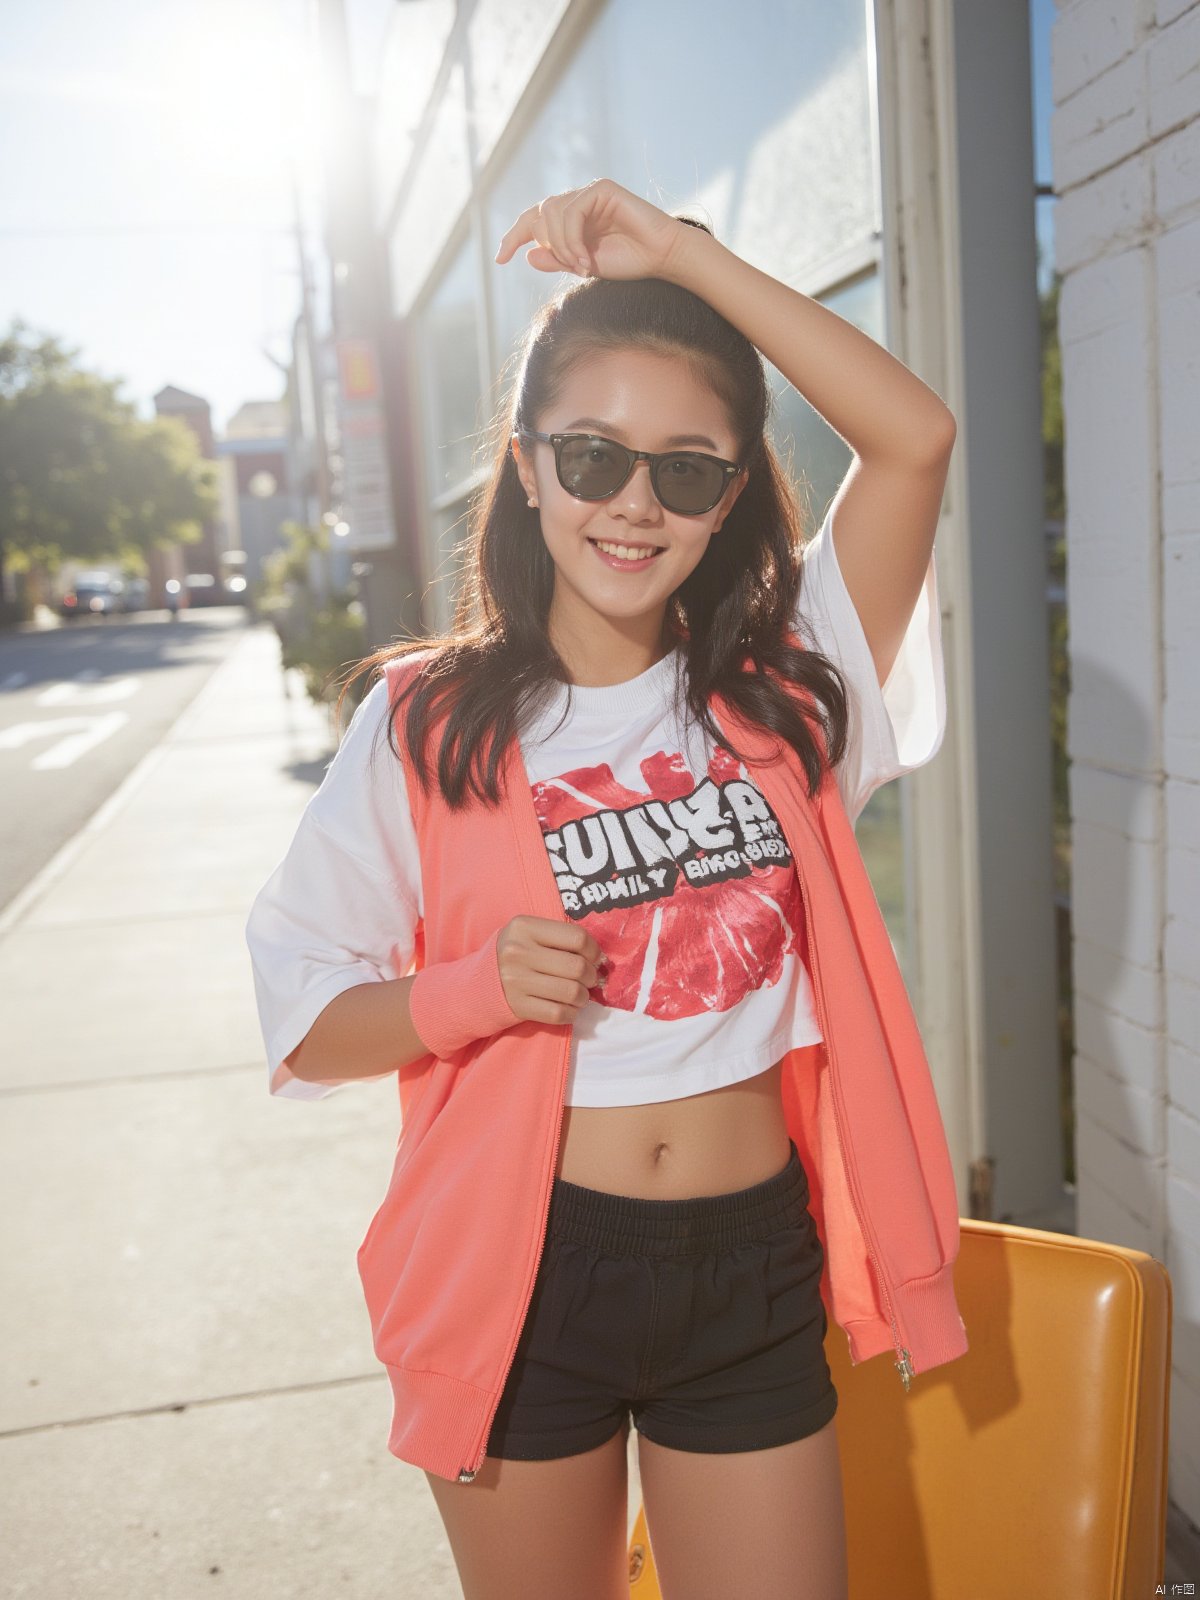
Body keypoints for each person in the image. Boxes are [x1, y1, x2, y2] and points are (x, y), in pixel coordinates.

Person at [245, 177, 964, 1600]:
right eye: (593, 458)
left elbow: (917, 436)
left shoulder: (790, 691)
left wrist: (687, 259)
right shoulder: (429, 721)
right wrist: (466, 990)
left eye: (689, 468)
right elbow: (307, 1019)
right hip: (522, 1270)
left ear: (732, 495)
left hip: (748, 1258)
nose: (635, 504)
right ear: (525, 466)